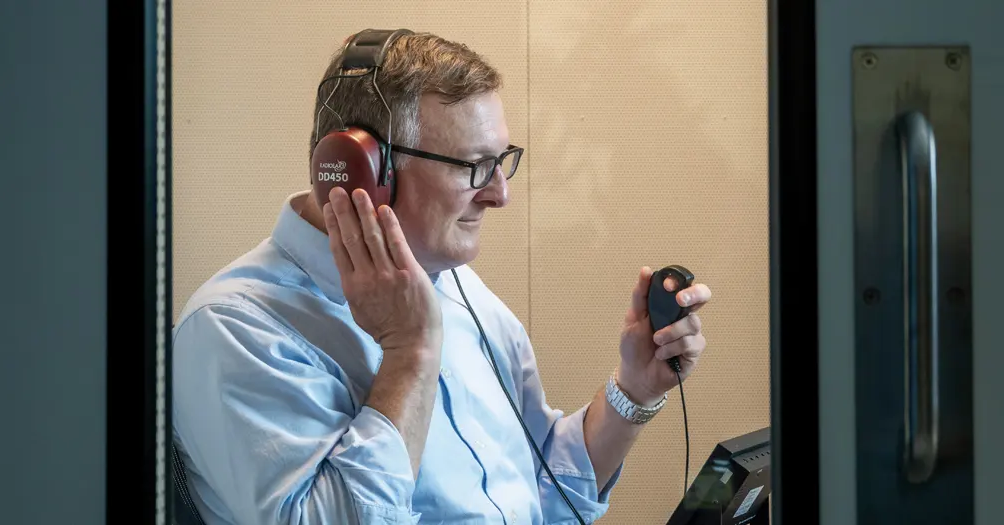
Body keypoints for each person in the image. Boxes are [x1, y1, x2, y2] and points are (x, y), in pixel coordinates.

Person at [172, 29, 711, 525]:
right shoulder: (233, 329)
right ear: (363, 171)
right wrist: (410, 353)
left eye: (501, 161)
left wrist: (635, 389)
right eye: (474, 166)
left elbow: (542, 486)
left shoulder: (457, 284)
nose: (500, 194)